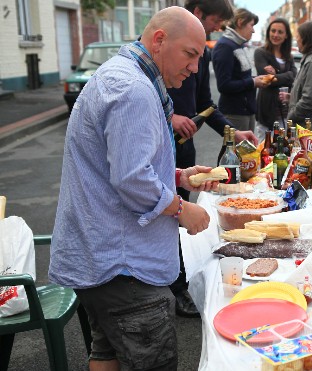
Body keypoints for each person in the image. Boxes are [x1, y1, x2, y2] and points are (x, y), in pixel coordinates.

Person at [49, 7, 218, 370]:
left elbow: (121, 163)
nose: (194, 68)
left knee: (105, 350)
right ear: (159, 40)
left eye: (198, 58)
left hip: (102, 259)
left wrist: (178, 176)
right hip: (124, 267)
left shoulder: (126, 75)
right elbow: (131, 179)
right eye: (190, 54)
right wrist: (182, 208)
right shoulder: (134, 90)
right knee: (153, 362)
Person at [167, 0, 257, 318]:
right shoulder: (162, 50)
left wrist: (233, 132)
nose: (218, 29)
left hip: (184, 151)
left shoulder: (203, 53)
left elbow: (206, 103)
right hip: (156, 146)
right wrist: (172, 116)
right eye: (216, 22)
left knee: (175, 220)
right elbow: (146, 98)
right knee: (164, 215)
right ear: (198, 13)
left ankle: (174, 283)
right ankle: (172, 287)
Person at [212, 8, 270, 133]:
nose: (253, 30)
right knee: (238, 152)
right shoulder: (225, 46)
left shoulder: (238, 45)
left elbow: (241, 77)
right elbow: (224, 85)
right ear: (240, 22)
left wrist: (256, 79)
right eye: (251, 25)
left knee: (247, 152)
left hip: (246, 110)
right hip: (234, 112)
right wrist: (253, 82)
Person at [254, 18, 297, 131]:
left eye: (280, 32)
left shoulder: (289, 56)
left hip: (286, 111)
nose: (275, 34)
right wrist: (287, 75)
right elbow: (266, 80)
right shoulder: (260, 53)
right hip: (267, 111)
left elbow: (294, 76)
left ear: (286, 35)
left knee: (284, 147)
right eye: (273, 31)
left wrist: (276, 74)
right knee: (266, 146)